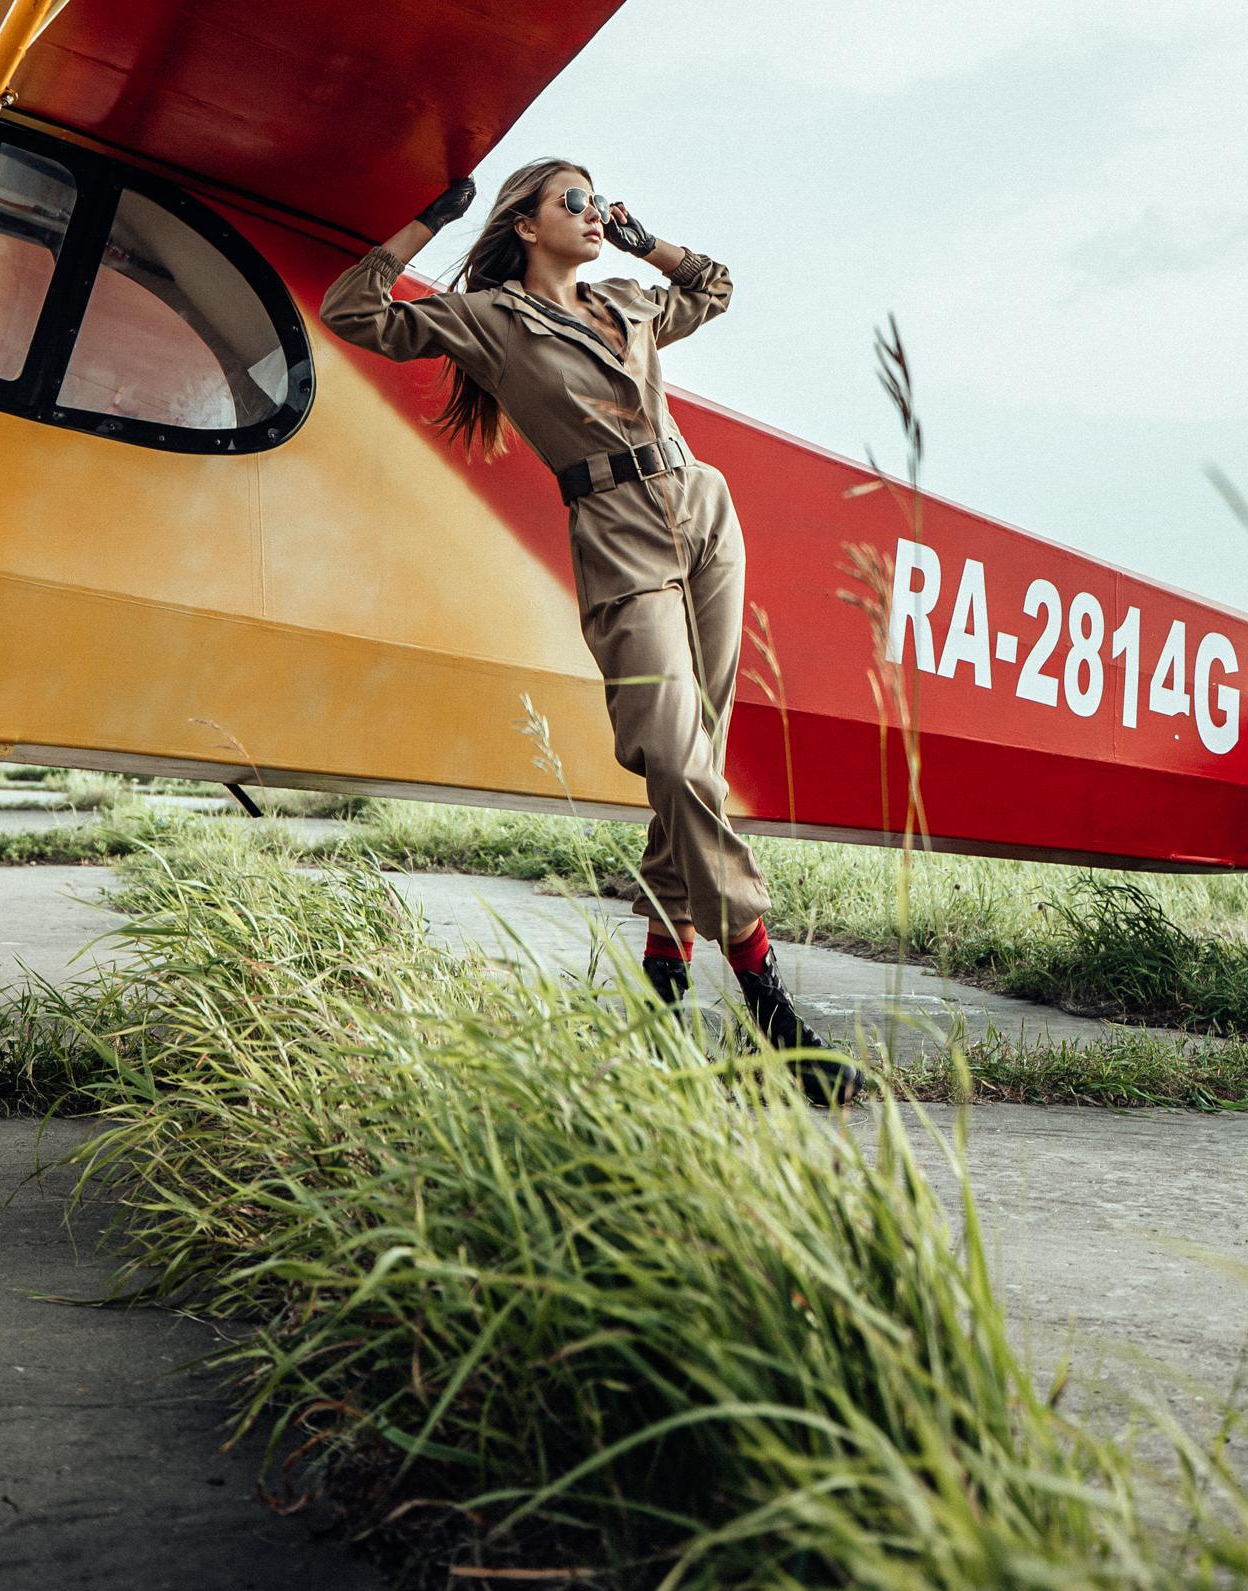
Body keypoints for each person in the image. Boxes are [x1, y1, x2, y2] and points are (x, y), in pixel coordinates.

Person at [320, 160, 855, 1102]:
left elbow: (714, 286)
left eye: (597, 197)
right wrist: (421, 223)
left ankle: (661, 989)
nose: (592, 211)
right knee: (671, 755)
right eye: (573, 200)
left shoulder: (626, 296)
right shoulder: (490, 319)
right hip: (616, 531)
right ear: (524, 225)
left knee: (699, 756)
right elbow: (355, 312)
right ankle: (767, 1001)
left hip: (703, 510)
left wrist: (646, 239)